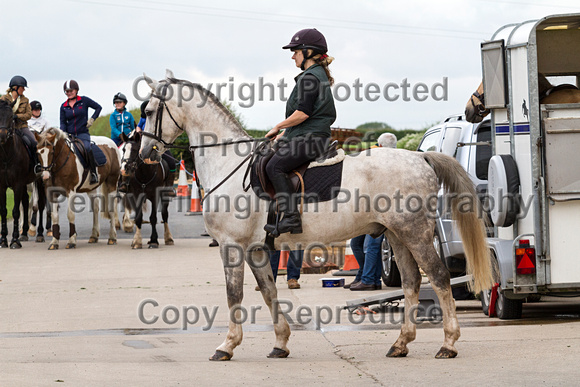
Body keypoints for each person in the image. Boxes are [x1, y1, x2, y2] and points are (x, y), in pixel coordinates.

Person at [264, 28, 336, 236]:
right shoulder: (314, 76)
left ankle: (291, 217)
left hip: (311, 139)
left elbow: (303, 113)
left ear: (309, 52)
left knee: (274, 166)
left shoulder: (309, 78)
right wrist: (285, 135)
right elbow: (309, 116)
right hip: (308, 135)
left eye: (296, 51)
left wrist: (279, 126)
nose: (293, 55)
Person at [345, 134, 397, 291]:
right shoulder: (372, 155)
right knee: (357, 244)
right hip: (367, 208)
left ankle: (369, 279)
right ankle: (366, 276)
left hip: (379, 210)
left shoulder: (382, 157)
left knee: (371, 245)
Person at [60, 80, 102, 184]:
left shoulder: (84, 100)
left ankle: (93, 173)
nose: (69, 93)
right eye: (67, 91)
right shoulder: (63, 106)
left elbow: (98, 107)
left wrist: (92, 119)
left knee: (87, 148)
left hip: (82, 133)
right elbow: (62, 122)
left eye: (71, 91)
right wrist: (63, 133)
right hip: (70, 135)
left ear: (76, 90)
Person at [0, 76, 37, 167]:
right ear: (15, 88)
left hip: (21, 127)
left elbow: (28, 114)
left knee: (34, 142)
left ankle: (36, 165)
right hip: (6, 127)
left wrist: (17, 116)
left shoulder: (25, 100)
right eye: (22, 87)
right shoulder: (3, 99)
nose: (24, 89)